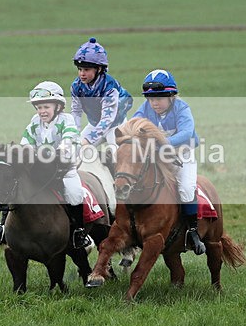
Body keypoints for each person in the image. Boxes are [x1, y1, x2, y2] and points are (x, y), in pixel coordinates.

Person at [0, 81, 92, 250]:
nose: (42, 111)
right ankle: (2, 228)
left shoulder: (67, 120)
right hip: (40, 169)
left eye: (46, 107)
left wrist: (49, 154)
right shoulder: (35, 122)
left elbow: (68, 143)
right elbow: (25, 143)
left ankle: (78, 232)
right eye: (38, 107)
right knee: (14, 187)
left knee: (75, 193)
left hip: (63, 169)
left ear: (58, 106)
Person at [131, 69, 206, 255]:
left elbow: (187, 133)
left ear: (172, 96)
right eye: (151, 98)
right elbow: (132, 124)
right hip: (157, 156)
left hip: (182, 155)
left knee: (186, 188)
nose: (154, 102)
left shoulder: (182, 108)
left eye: (160, 97)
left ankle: (192, 232)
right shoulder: (145, 109)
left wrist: (161, 144)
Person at [70, 37, 133, 154]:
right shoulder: (76, 86)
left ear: (99, 69)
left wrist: (87, 140)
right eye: (79, 69)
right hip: (94, 124)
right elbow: (76, 112)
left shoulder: (109, 87)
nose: (82, 74)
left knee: (117, 155)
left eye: (86, 69)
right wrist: (74, 135)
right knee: (74, 152)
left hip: (116, 126)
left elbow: (107, 119)